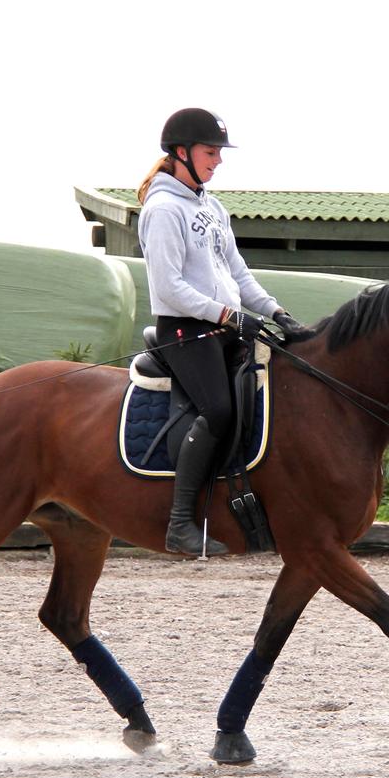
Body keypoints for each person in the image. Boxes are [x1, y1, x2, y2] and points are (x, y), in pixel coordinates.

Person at [138, 107, 301, 556]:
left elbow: (240, 276)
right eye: (211, 152)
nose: (218, 161)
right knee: (220, 410)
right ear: (181, 152)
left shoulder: (212, 207)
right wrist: (229, 317)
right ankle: (180, 523)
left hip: (222, 326)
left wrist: (277, 313)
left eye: (218, 152)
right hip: (185, 332)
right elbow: (168, 288)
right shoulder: (163, 210)